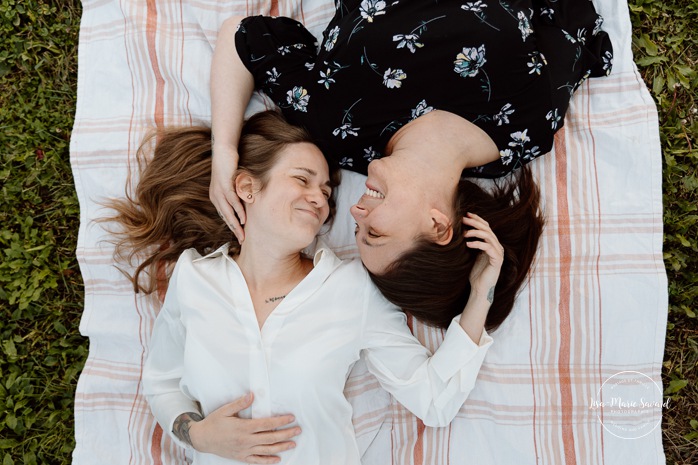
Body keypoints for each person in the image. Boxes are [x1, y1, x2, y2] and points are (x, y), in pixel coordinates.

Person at [108, 111, 501, 464]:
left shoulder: (351, 289)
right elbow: (162, 383)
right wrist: (197, 435)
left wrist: (481, 290)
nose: (319, 198)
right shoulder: (193, 279)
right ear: (247, 187)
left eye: (327, 191)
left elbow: (433, 400)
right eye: (302, 179)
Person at [208, 0, 612, 329]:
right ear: (438, 226)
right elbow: (570, 16)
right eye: (376, 232)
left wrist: (224, 152)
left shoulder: (337, 126)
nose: (354, 210)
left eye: (356, 228)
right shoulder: (529, 123)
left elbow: (241, 38)